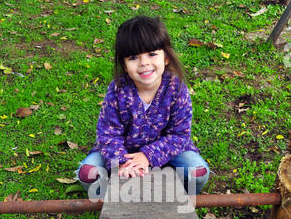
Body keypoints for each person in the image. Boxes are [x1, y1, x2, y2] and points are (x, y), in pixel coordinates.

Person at [76, 15, 209, 196]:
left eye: (152, 54)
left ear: (166, 57)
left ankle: (175, 194)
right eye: (133, 58)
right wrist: (122, 162)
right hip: (123, 152)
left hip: (166, 151)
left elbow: (179, 135)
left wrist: (148, 156)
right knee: (87, 173)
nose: (144, 63)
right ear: (124, 65)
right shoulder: (117, 90)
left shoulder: (176, 89)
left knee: (198, 172)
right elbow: (108, 133)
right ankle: (109, 197)